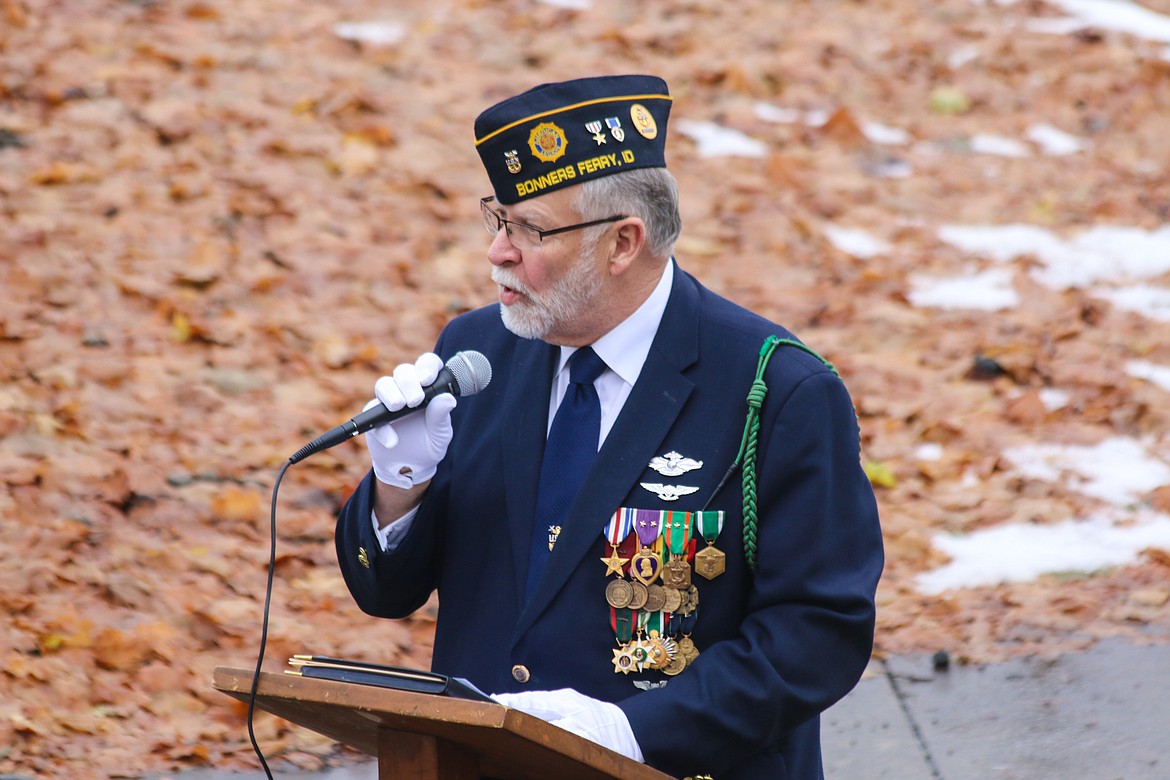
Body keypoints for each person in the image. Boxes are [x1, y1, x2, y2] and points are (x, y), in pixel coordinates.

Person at [335, 74, 884, 780]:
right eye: (496, 219)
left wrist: (631, 729)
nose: (498, 252)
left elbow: (818, 634)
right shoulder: (478, 354)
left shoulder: (773, 389)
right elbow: (386, 593)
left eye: (529, 228)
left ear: (624, 243)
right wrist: (397, 490)